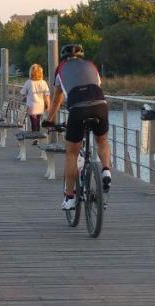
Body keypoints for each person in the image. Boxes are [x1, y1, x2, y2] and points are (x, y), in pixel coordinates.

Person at [44, 44, 112, 211]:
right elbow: (96, 87)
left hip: (77, 109)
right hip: (100, 105)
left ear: (63, 58)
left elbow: (56, 100)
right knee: (102, 141)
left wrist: (48, 120)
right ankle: (106, 170)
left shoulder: (61, 70)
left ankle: (69, 197)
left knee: (72, 153)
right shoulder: (92, 66)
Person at [21, 64, 49, 141]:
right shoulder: (43, 82)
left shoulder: (28, 82)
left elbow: (23, 93)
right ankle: (38, 137)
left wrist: (27, 95)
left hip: (31, 106)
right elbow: (46, 95)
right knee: (38, 122)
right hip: (41, 105)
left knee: (34, 122)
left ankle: (35, 139)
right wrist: (47, 105)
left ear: (31, 72)